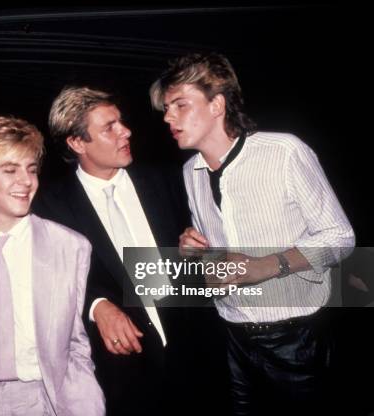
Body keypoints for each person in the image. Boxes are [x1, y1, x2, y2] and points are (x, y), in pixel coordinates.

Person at [150, 52, 355, 415]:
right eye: (166, 108)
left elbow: (339, 237)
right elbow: (221, 256)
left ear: (217, 104)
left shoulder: (283, 152)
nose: (168, 117)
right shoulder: (190, 171)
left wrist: (263, 266)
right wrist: (196, 252)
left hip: (297, 339)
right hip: (231, 338)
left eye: (180, 105)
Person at [32, 86, 211, 415]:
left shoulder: (169, 179)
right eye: (109, 127)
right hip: (125, 378)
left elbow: (201, 263)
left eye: (122, 122)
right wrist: (97, 305)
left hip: (198, 360)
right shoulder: (49, 206)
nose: (125, 131)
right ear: (76, 142)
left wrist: (195, 251)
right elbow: (46, 280)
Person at [0, 116, 104, 416]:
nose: (26, 181)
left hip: (47, 400)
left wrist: (88, 405)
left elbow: (76, 342)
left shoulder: (70, 246)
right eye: (10, 170)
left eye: (31, 169)